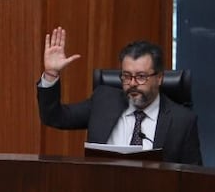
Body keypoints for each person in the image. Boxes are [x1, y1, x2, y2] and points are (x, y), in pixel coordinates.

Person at [37, 27, 201, 165]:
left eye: (141, 76)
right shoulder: (104, 101)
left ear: (159, 78)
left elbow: (193, 179)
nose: (133, 83)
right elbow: (54, 117)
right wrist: (51, 74)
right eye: (127, 76)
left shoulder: (182, 121)